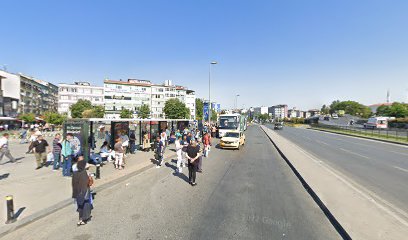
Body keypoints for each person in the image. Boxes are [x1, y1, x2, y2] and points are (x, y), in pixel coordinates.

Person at [72, 158, 93, 226]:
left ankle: (80, 219)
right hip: (85, 190)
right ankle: (85, 219)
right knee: (86, 205)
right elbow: (90, 182)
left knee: (80, 205)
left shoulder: (75, 173)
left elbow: (73, 183)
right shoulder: (86, 172)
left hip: (78, 191)